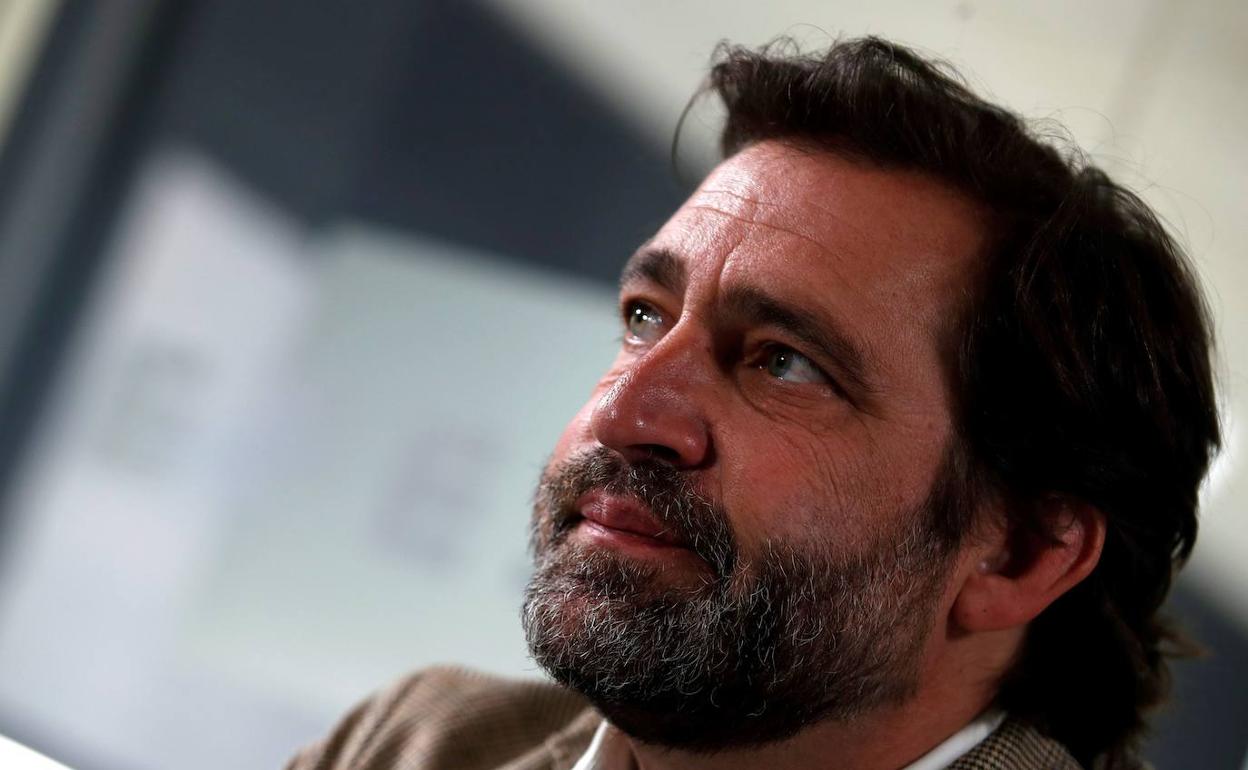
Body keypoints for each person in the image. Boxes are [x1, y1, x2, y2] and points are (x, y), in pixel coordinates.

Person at [286, 36, 1220, 770]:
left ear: (1019, 554)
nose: (623, 416)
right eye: (645, 317)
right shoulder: (414, 744)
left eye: (785, 364)